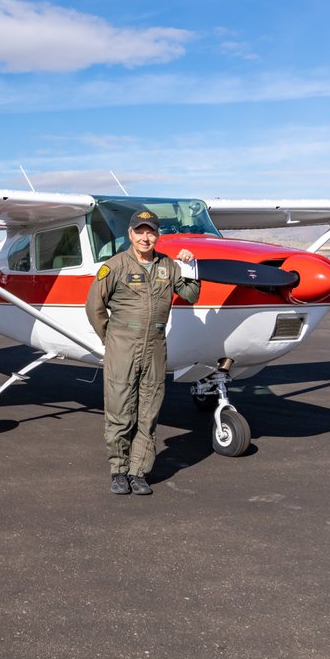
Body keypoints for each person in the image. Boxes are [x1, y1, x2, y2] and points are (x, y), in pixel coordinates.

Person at [85, 210, 200, 496]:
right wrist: (110, 337)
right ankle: (118, 471)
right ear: (130, 234)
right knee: (120, 412)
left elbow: (191, 294)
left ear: (157, 235)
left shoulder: (168, 266)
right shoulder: (114, 267)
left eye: (151, 232)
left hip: (155, 348)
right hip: (123, 347)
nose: (145, 237)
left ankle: (139, 473)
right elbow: (94, 307)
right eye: (140, 231)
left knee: (148, 413)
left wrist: (192, 266)